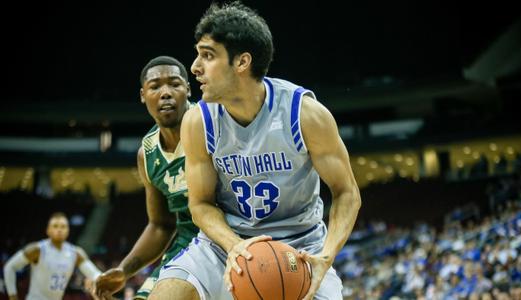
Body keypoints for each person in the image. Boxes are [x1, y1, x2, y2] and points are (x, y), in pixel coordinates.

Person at [150, 2, 361, 300]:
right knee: (166, 295)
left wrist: (326, 256)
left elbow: (347, 192)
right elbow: (200, 205)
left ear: (242, 62)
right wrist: (233, 244)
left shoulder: (304, 115)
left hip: (299, 249)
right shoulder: (198, 121)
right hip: (224, 245)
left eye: (207, 55)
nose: (195, 67)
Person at [94, 56, 198, 299]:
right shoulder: (147, 155)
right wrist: (124, 270)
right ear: (143, 95)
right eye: (155, 87)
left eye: (174, 84)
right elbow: (161, 225)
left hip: (231, 239)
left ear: (188, 89)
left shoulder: (212, 123)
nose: (165, 93)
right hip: (188, 246)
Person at [3, 212, 102, 300]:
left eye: (63, 226)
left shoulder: (76, 253)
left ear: (68, 230)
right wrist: (12, 296)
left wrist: (107, 279)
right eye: (55, 226)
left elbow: (95, 274)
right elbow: (9, 267)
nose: (59, 229)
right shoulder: (37, 249)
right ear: (48, 230)